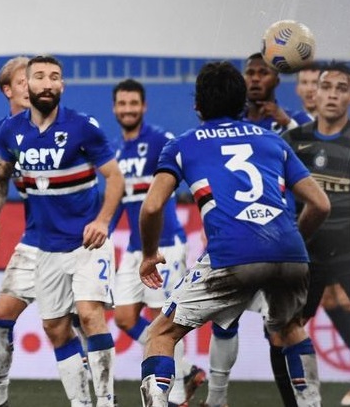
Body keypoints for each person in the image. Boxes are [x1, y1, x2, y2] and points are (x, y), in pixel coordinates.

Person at [138, 61, 330, 407]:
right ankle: (311, 403)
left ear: (197, 105)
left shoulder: (183, 145)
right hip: (290, 251)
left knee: (161, 333)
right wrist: (292, 243)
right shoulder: (273, 140)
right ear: (243, 103)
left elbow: (151, 207)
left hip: (232, 252)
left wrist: (149, 254)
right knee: (289, 328)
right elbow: (320, 204)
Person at [0, 55, 125, 407]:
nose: (47, 83)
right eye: (40, 77)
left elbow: (115, 178)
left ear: (62, 85)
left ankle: (107, 401)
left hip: (86, 244)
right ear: (26, 86)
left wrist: (102, 221)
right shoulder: (9, 132)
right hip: (45, 247)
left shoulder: (83, 127)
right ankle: (80, 402)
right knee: (54, 328)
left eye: (55, 77)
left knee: (89, 314)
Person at [0, 56, 88, 407]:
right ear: (8, 90)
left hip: (75, 242)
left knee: (80, 323)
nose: (33, 86)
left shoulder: (65, 127)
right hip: (35, 242)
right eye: (24, 81)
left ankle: (94, 399)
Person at [200, 54, 317, 406]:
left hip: (280, 234)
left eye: (262, 73)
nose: (254, 79)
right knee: (226, 319)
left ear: (276, 79)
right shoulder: (227, 124)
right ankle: (217, 399)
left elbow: (318, 164)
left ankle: (296, 401)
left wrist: (286, 122)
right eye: (249, 73)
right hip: (237, 236)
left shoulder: (294, 123)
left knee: (282, 329)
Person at [108, 79, 203, 407]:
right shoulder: (116, 151)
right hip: (136, 248)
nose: (128, 109)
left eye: (133, 103)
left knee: (164, 318)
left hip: (165, 246)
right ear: (114, 108)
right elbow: (116, 202)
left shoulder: (161, 141)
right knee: (124, 316)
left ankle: (175, 396)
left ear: (144, 106)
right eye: (122, 103)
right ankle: (185, 370)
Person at [281, 61, 350, 407]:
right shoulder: (293, 142)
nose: (333, 95)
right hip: (306, 251)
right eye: (327, 87)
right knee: (282, 330)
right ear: (315, 93)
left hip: (348, 250)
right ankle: (301, 400)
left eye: (342, 88)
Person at [241, 52, 314, 134]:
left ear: (276, 81)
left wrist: (288, 124)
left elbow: (313, 142)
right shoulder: (233, 121)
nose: (255, 78)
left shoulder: (300, 119)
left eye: (264, 73)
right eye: (250, 73)